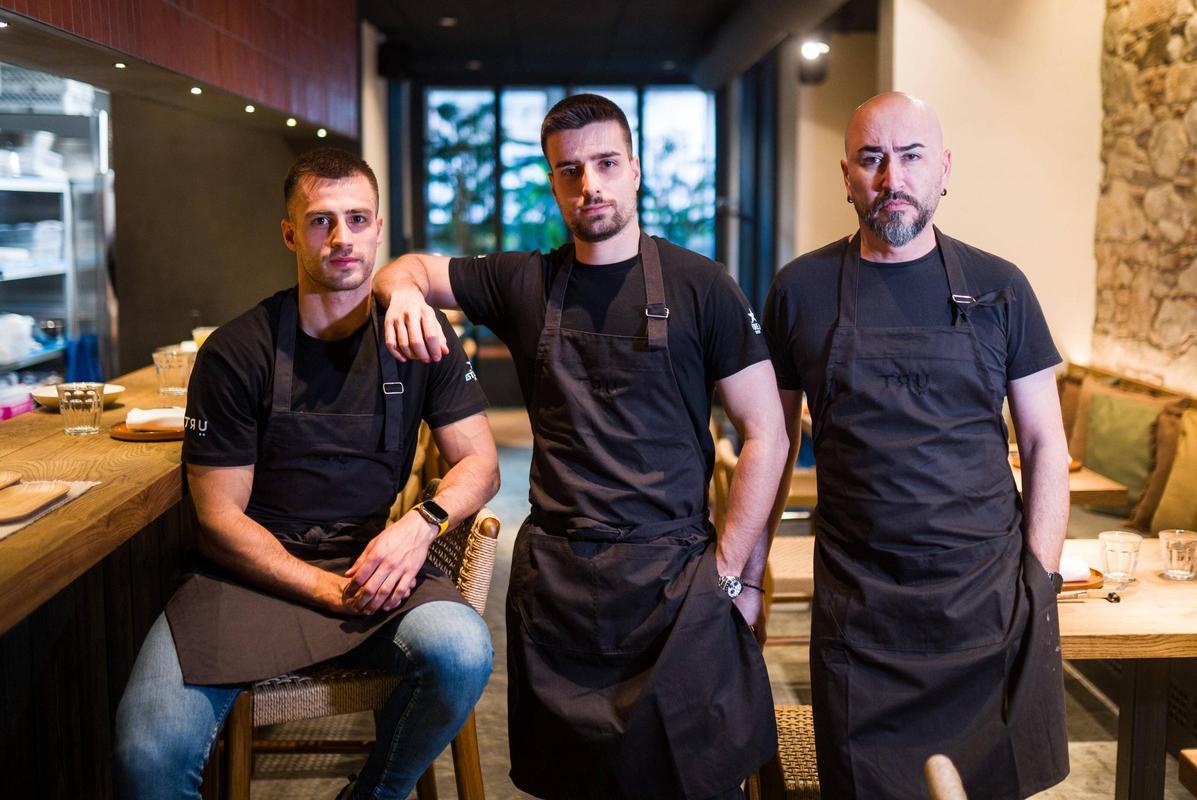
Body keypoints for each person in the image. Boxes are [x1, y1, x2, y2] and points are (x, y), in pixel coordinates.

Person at [373, 94, 786, 799]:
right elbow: (405, 267)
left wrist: (732, 576)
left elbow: (767, 434)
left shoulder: (703, 285)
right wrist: (406, 295)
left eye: (605, 163)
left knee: (691, 777)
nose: (589, 184)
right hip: (561, 586)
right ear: (554, 182)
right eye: (570, 170)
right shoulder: (523, 280)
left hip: (674, 576)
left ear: (635, 170)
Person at [113, 148, 500, 800]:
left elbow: (480, 463)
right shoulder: (237, 351)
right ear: (291, 234)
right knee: (147, 752)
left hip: (371, 566)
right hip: (246, 578)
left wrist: (420, 525)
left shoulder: (418, 335)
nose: (342, 237)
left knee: (463, 652)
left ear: (378, 229)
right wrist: (327, 591)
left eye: (357, 219)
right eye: (322, 221)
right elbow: (218, 520)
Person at [763, 92, 1070, 799]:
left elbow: (1044, 441)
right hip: (860, 615)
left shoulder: (1001, 287)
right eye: (871, 159)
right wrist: (745, 577)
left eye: (910, 157)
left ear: (944, 169)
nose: (891, 177)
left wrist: (1040, 579)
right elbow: (771, 446)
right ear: (846, 175)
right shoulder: (800, 289)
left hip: (985, 608)